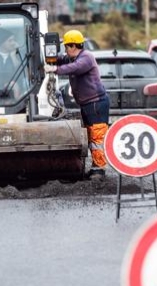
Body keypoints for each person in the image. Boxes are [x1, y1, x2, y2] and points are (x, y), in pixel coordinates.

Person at [44, 30, 109, 180]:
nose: (65, 49)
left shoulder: (86, 58)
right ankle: (95, 167)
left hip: (96, 103)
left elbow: (74, 68)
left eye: (66, 46)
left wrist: (55, 69)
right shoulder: (73, 58)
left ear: (73, 46)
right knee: (90, 135)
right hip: (88, 104)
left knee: (96, 136)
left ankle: (99, 169)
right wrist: (50, 59)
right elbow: (61, 59)